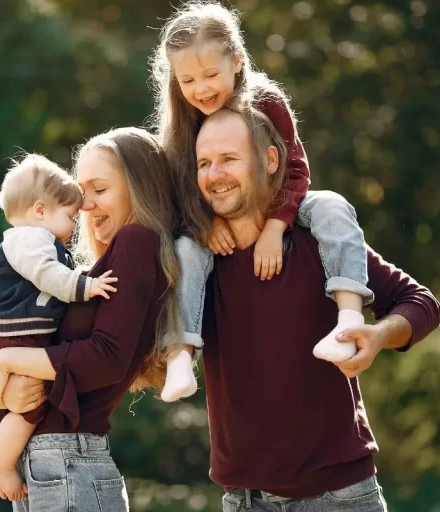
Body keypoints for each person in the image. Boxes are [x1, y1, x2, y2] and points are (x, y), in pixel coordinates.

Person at [196, 104, 440, 511]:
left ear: (270, 160)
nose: (214, 174)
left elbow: (421, 303)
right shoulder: (198, 262)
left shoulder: (321, 242)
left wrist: (378, 336)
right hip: (243, 501)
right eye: (204, 163)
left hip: (339, 498)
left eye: (228, 159)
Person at [149, 1, 373, 402]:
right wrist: (205, 225)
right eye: (187, 80)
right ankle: (180, 353)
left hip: (283, 204)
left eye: (210, 75)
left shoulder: (265, 100)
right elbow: (181, 189)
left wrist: (276, 225)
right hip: (213, 219)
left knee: (333, 206)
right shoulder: (183, 122)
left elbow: (297, 170)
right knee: (185, 250)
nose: (200, 89)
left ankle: (347, 319)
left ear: (236, 61)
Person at [0, 127, 182, 511]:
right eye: (82, 195)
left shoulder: (137, 240)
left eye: (100, 190)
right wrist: (0, 390)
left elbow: (105, 358)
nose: (85, 206)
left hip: (66, 460)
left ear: (138, 188)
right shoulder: (93, 270)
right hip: (47, 461)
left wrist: (3, 362)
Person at [0, 154, 119, 501]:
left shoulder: (34, 241)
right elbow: (46, 276)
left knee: (17, 399)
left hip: (9, 335)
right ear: (40, 210)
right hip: (16, 334)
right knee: (34, 400)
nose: (73, 226)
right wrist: (85, 287)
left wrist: (79, 277)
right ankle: (2, 463)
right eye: (69, 216)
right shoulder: (29, 240)